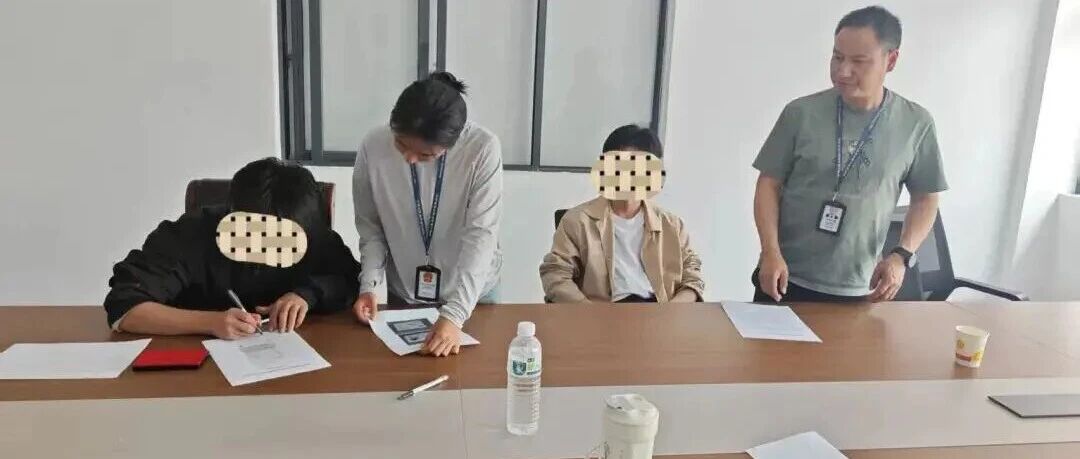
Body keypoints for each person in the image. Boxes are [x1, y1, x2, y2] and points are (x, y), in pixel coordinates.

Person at [752, 6, 947, 304]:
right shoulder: (800, 114)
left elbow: (926, 198)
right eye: (837, 57)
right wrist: (770, 251)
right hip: (784, 278)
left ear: (891, 60)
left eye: (858, 61)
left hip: (860, 287)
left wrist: (901, 255)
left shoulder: (915, 124)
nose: (843, 71)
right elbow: (768, 184)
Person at [104, 158, 361, 339]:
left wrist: (306, 295)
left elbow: (350, 280)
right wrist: (210, 322)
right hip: (200, 368)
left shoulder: (310, 232)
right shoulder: (191, 234)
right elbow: (126, 307)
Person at [352, 71, 503, 357]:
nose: (410, 158)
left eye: (426, 156)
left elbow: (481, 236)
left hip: (471, 294)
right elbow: (371, 228)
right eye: (401, 144)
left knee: (475, 375)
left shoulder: (482, 149)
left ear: (453, 142)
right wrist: (369, 284)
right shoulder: (373, 146)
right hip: (406, 290)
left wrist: (455, 315)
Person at [540, 124, 704, 303]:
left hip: (658, 308)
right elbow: (556, 274)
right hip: (601, 310)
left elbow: (692, 275)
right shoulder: (577, 221)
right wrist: (588, 312)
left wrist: (671, 311)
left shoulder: (672, 224)